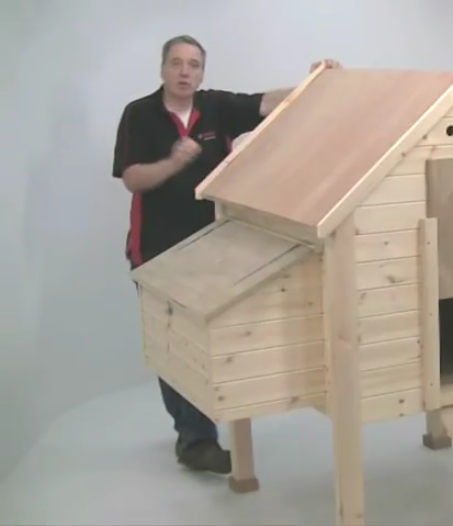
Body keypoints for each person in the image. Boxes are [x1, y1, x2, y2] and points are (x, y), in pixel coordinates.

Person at [111, 34, 341, 474]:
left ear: (201, 72)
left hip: (213, 249)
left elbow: (268, 103)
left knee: (211, 340)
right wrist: (175, 162)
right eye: (176, 63)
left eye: (193, 65)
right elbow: (133, 178)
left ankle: (211, 427)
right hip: (156, 250)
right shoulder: (139, 115)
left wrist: (314, 83)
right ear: (162, 68)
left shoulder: (215, 106)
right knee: (174, 347)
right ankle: (195, 441)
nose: (184, 72)